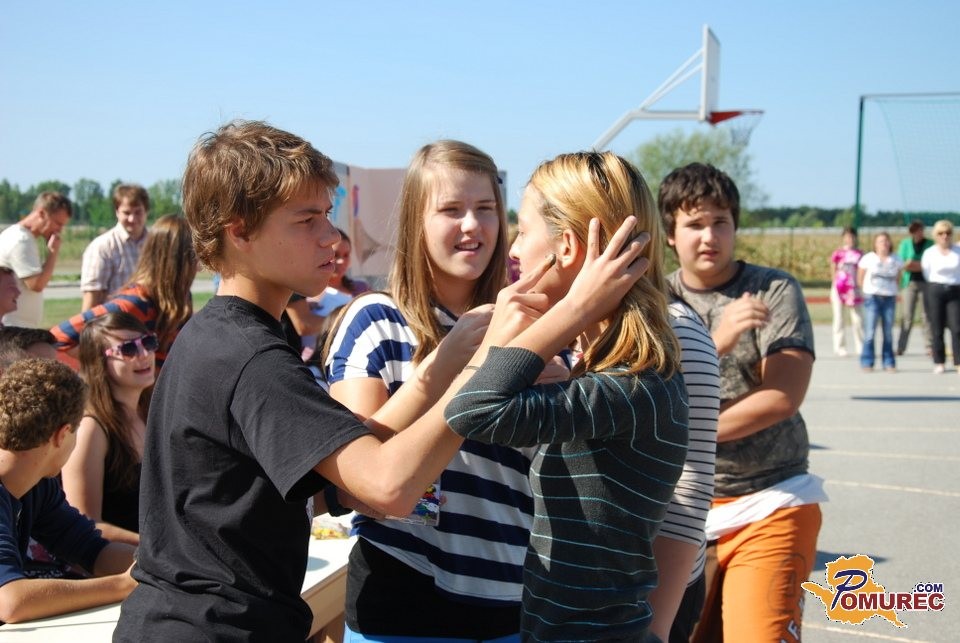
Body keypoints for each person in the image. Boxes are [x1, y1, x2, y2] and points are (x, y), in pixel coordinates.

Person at [112, 120, 640, 641]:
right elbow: (387, 486)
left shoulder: (233, 337)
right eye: (307, 220)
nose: (331, 236)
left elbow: (342, 478)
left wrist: (438, 372)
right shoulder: (251, 356)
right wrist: (497, 361)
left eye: (328, 214)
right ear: (240, 231)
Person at [444, 151, 688, 642]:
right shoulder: (608, 374)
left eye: (523, 231)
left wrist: (571, 310)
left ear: (568, 248)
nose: (513, 248)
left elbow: (471, 411)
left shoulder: (633, 384)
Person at [325, 140, 529, 642]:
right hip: (403, 600)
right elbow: (352, 479)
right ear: (417, 221)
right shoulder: (375, 320)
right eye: (451, 209)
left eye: (485, 208)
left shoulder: (531, 326)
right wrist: (446, 366)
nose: (472, 225)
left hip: (515, 602)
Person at [658, 162, 823, 643]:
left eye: (721, 222)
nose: (709, 236)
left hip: (769, 496)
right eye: (694, 223)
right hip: (681, 506)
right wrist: (715, 342)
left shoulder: (772, 289)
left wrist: (679, 430)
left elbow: (782, 395)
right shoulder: (654, 298)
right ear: (669, 234)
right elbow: (644, 392)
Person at [0, 357, 137, 623]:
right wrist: (124, 585)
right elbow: (10, 601)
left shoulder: (36, 484)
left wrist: (162, 566)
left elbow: (91, 549)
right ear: (62, 435)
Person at [648, 295, 720, 643]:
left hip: (645, 595)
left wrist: (654, 630)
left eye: (523, 235)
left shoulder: (675, 327)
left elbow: (690, 481)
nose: (518, 269)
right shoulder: (526, 319)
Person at [50, 214, 196, 369]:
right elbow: (59, 336)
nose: (200, 264)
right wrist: (111, 363)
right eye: (195, 254)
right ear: (179, 260)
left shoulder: (182, 298)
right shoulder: (134, 303)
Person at [61, 313, 156, 545]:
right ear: (98, 362)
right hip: (127, 558)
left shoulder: (150, 410)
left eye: (148, 342)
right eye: (128, 349)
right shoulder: (90, 429)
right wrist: (155, 548)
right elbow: (84, 522)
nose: (144, 354)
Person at [0, 192, 72, 328]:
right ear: (42, 213)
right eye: (57, 223)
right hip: (14, 327)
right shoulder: (21, 240)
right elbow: (36, 284)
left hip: (15, 326)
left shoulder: (20, 236)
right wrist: (53, 252)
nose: (59, 230)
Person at [80, 184, 150, 311]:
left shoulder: (156, 244)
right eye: (126, 213)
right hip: (114, 320)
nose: (132, 218)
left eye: (138, 212)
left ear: (146, 211)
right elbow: (91, 300)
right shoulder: (102, 247)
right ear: (117, 212)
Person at [857, 232, 903, 372]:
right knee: (870, 332)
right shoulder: (868, 258)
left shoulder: (896, 259)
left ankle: (889, 362)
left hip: (889, 298)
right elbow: (860, 277)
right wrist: (865, 291)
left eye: (886, 241)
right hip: (872, 297)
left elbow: (898, 278)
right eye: (881, 241)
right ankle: (867, 361)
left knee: (888, 332)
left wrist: (893, 290)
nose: (884, 243)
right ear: (875, 244)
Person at [921, 219, 960, 374]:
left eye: (948, 233)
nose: (945, 236)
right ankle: (939, 361)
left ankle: (958, 361)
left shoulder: (957, 251)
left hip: (955, 290)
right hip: (935, 289)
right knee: (937, 327)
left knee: (957, 327)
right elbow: (926, 272)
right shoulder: (930, 253)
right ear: (936, 235)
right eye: (941, 233)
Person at [896, 220, 933, 356]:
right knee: (907, 316)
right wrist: (915, 264)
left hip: (926, 282)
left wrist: (914, 264)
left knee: (926, 315)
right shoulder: (905, 244)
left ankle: (929, 345)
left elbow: (930, 264)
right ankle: (901, 346)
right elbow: (902, 263)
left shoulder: (930, 244)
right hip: (909, 282)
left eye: (919, 230)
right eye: (914, 230)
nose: (918, 233)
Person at [829, 227, 864, 357]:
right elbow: (833, 269)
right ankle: (840, 346)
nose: (850, 239)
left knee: (858, 319)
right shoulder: (838, 253)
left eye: (852, 236)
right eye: (847, 236)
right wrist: (834, 284)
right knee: (839, 318)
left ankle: (861, 346)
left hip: (855, 289)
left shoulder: (860, 254)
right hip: (839, 288)